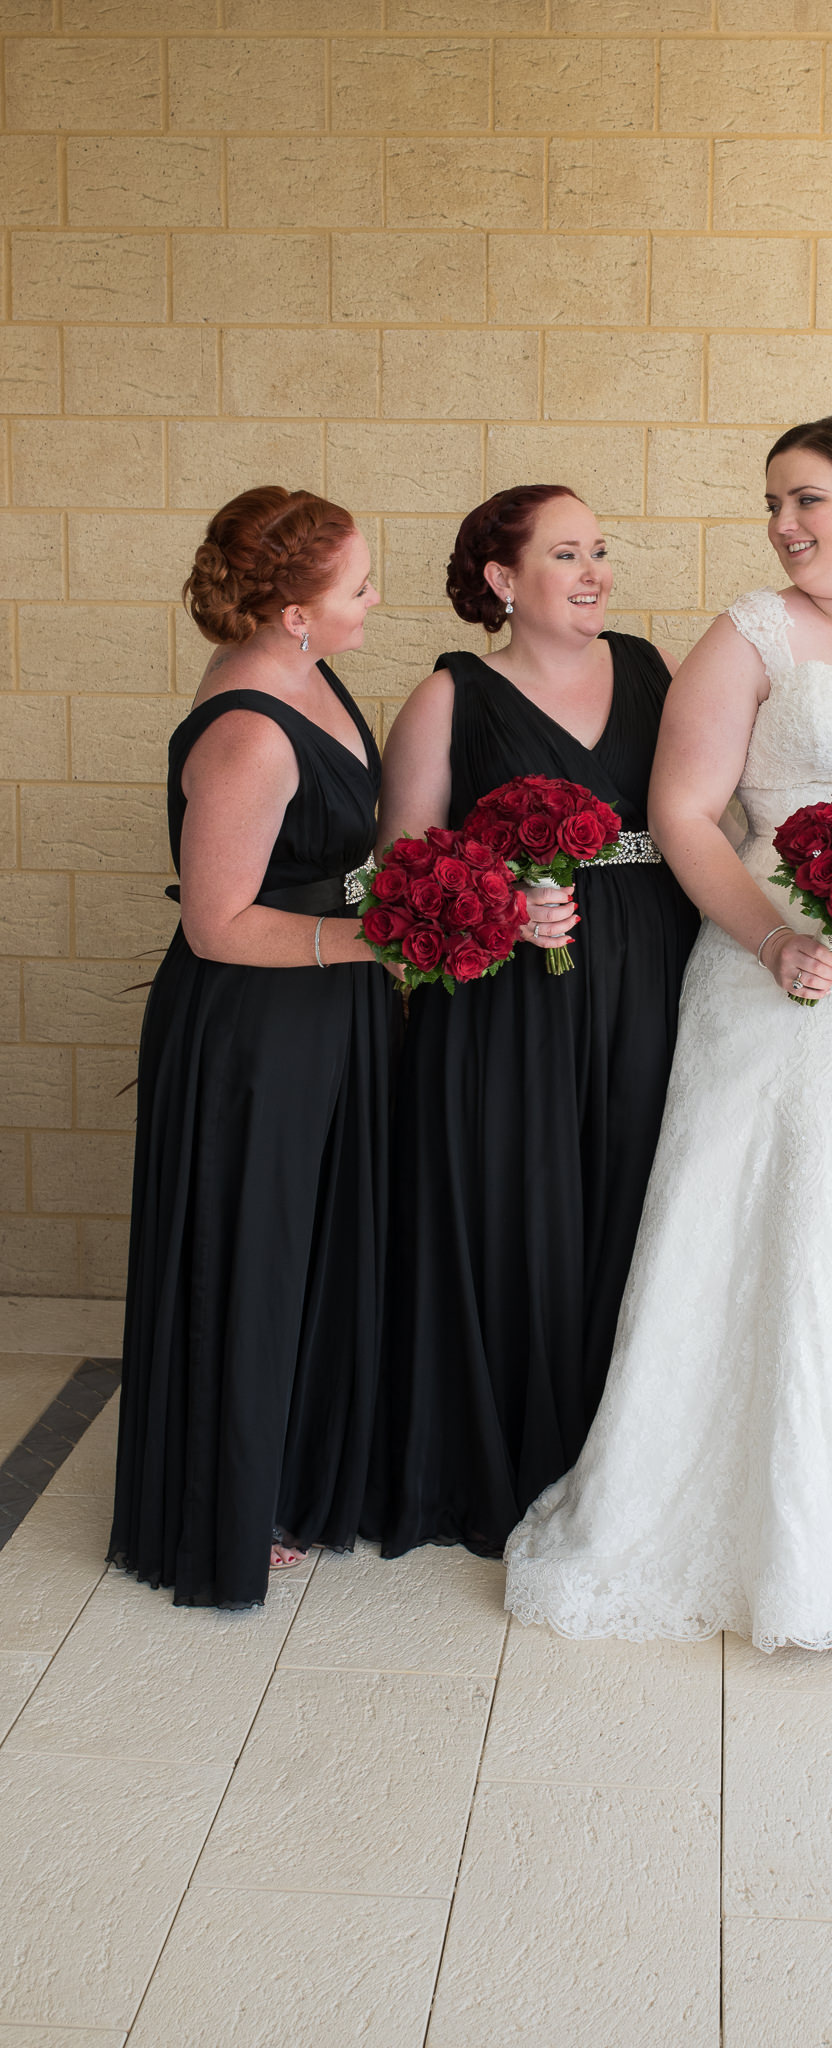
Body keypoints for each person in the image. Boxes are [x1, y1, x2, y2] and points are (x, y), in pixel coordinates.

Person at [503, 415, 832, 1651]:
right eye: (773, 506)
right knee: (780, 1215)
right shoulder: (750, 632)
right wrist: (772, 934)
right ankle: (760, 1532)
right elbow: (682, 810)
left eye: (806, 501)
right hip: (780, 960)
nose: (783, 526)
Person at [363, 485, 699, 1560]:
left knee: (632, 1194)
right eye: (566, 553)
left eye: (600, 549)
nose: (596, 570)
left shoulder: (652, 671)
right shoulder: (448, 697)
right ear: (503, 581)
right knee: (516, 1202)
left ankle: (618, 1464)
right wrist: (500, 901)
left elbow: (711, 809)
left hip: (648, 967)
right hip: (505, 998)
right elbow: (400, 874)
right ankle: (497, 1458)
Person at [109, 486, 390, 1609]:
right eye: (358, 587)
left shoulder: (308, 673)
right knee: (253, 1260)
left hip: (328, 1006)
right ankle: (225, 1511)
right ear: (291, 613)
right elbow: (217, 923)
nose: (375, 601)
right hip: (257, 1028)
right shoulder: (244, 732)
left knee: (311, 1249)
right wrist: (384, 936)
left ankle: (292, 1476)